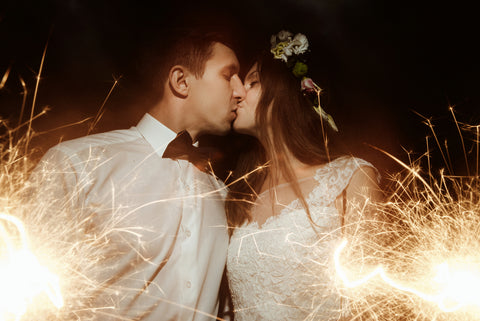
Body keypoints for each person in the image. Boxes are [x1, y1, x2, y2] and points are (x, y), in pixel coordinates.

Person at [29, 29, 246, 320]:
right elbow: (29, 294)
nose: (240, 90)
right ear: (181, 81)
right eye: (228, 75)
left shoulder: (222, 195)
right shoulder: (78, 164)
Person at [225, 30, 381, 320]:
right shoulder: (238, 193)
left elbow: (371, 301)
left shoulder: (351, 177)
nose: (238, 93)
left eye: (253, 82)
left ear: (284, 91)